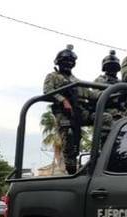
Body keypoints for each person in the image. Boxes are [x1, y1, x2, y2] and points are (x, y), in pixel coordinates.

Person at [43, 45, 93, 174]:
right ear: (58, 62)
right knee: (70, 137)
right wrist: (63, 100)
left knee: (104, 118)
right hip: (63, 113)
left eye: (71, 61)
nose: (68, 64)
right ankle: (71, 170)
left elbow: (90, 94)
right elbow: (47, 91)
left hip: (79, 111)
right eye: (65, 61)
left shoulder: (76, 81)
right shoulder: (53, 76)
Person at [94, 50, 126, 137]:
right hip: (106, 110)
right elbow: (97, 95)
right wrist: (116, 96)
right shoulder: (100, 80)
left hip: (122, 111)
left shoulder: (121, 83)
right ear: (105, 68)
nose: (112, 69)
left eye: (114, 67)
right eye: (109, 67)